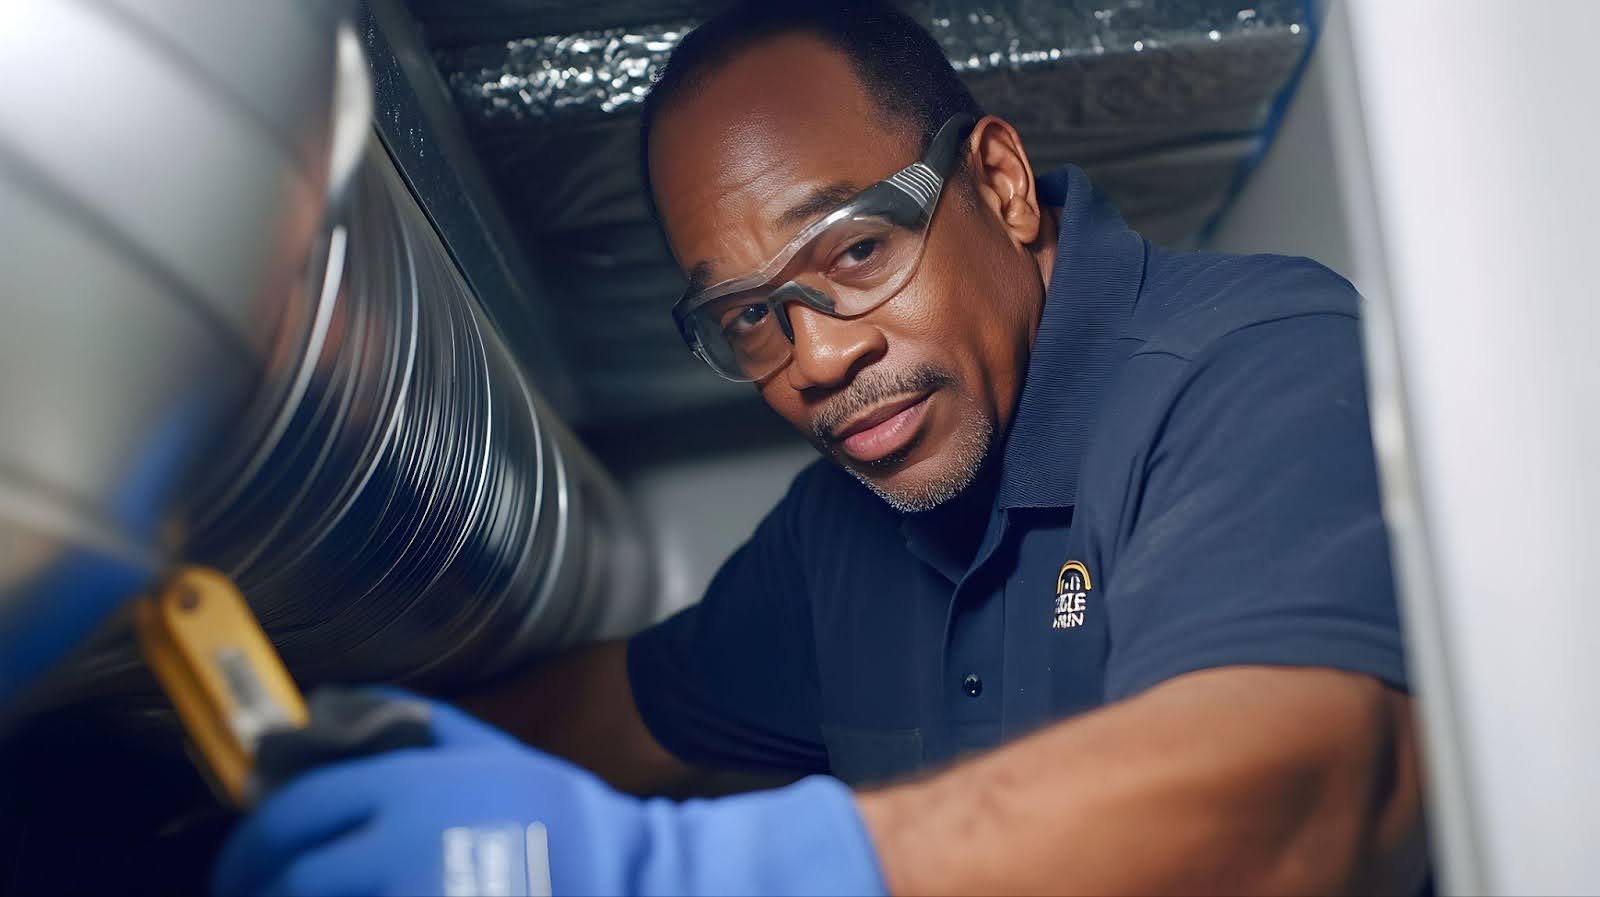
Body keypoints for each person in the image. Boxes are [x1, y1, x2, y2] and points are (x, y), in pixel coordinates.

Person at [211, 2, 1426, 894]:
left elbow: (1296, 789)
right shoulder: (838, 539)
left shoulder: (1249, 361)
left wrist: (664, 874)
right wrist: (318, 760)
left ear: (999, 184)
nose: (815, 362)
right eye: (747, 315)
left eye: (852, 253)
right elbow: (623, 710)